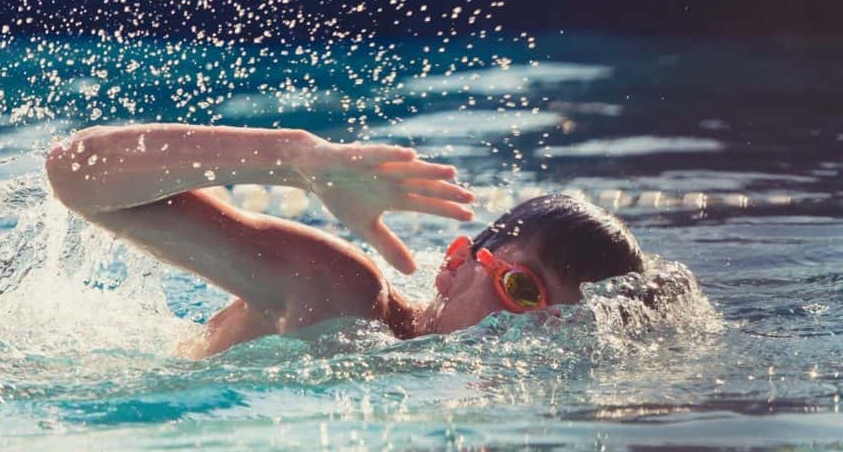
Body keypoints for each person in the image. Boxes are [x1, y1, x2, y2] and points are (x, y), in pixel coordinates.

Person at [46, 124, 645, 357]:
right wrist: (293, 158)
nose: (523, 337)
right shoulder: (343, 295)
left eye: (559, 327)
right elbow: (75, 173)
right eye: (521, 290)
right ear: (455, 263)